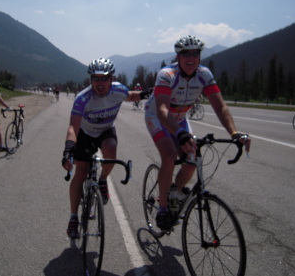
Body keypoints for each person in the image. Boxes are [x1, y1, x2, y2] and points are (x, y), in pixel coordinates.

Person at [144, 35, 251, 231]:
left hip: (180, 118)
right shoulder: (167, 74)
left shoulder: (204, 74)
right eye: (186, 54)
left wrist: (234, 133)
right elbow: (162, 111)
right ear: (178, 56)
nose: (191, 58)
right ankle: (162, 208)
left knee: (192, 159)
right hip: (158, 117)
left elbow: (220, 106)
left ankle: (173, 192)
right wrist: (179, 134)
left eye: (195, 53)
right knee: (169, 156)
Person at [61, 58, 149, 239]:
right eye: (96, 79)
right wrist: (69, 148)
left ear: (112, 79)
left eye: (104, 79)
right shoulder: (83, 98)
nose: (100, 83)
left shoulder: (119, 90)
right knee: (80, 171)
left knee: (110, 149)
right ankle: (73, 217)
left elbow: (131, 96)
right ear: (91, 80)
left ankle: (102, 180)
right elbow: (73, 127)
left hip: (106, 130)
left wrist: (147, 93)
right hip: (85, 134)